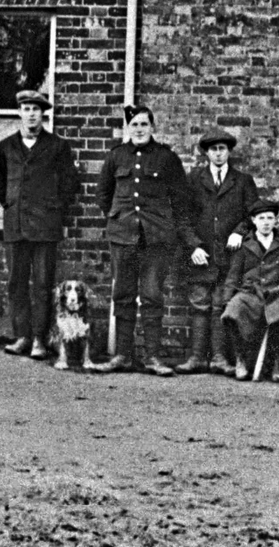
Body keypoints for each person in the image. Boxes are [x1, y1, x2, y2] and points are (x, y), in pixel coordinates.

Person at [90, 105, 199, 375]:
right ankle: (123, 356)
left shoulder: (166, 158)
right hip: (123, 236)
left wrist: (171, 228)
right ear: (128, 128)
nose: (139, 129)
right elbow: (103, 194)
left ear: (153, 127)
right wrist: (119, 219)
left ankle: (152, 357)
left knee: (152, 296)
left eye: (144, 124)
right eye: (134, 124)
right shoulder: (116, 156)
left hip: (157, 238)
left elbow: (180, 200)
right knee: (123, 294)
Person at [0, 90, 81, 359]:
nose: (31, 113)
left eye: (35, 109)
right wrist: (10, 205)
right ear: (19, 112)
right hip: (16, 224)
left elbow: (69, 183)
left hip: (45, 226)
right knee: (16, 283)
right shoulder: (6, 146)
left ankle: (40, 340)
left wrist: (54, 208)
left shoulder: (57, 146)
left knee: (43, 284)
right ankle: (22, 336)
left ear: (43, 113)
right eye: (26, 108)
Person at [177, 128, 259, 375]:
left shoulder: (243, 181)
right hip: (200, 255)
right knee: (200, 304)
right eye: (213, 149)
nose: (218, 153)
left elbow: (253, 214)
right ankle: (197, 357)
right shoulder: (193, 180)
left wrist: (239, 231)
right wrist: (193, 246)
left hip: (229, 255)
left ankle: (221, 358)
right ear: (206, 153)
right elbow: (182, 218)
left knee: (221, 305)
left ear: (229, 151)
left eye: (222, 149)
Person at [219, 200, 279, 381]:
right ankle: (241, 358)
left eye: (270, 218)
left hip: (277, 292)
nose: (266, 222)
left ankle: (278, 361)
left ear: (276, 220)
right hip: (251, 292)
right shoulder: (244, 245)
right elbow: (233, 275)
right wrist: (226, 299)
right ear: (253, 220)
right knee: (232, 312)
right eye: (261, 218)